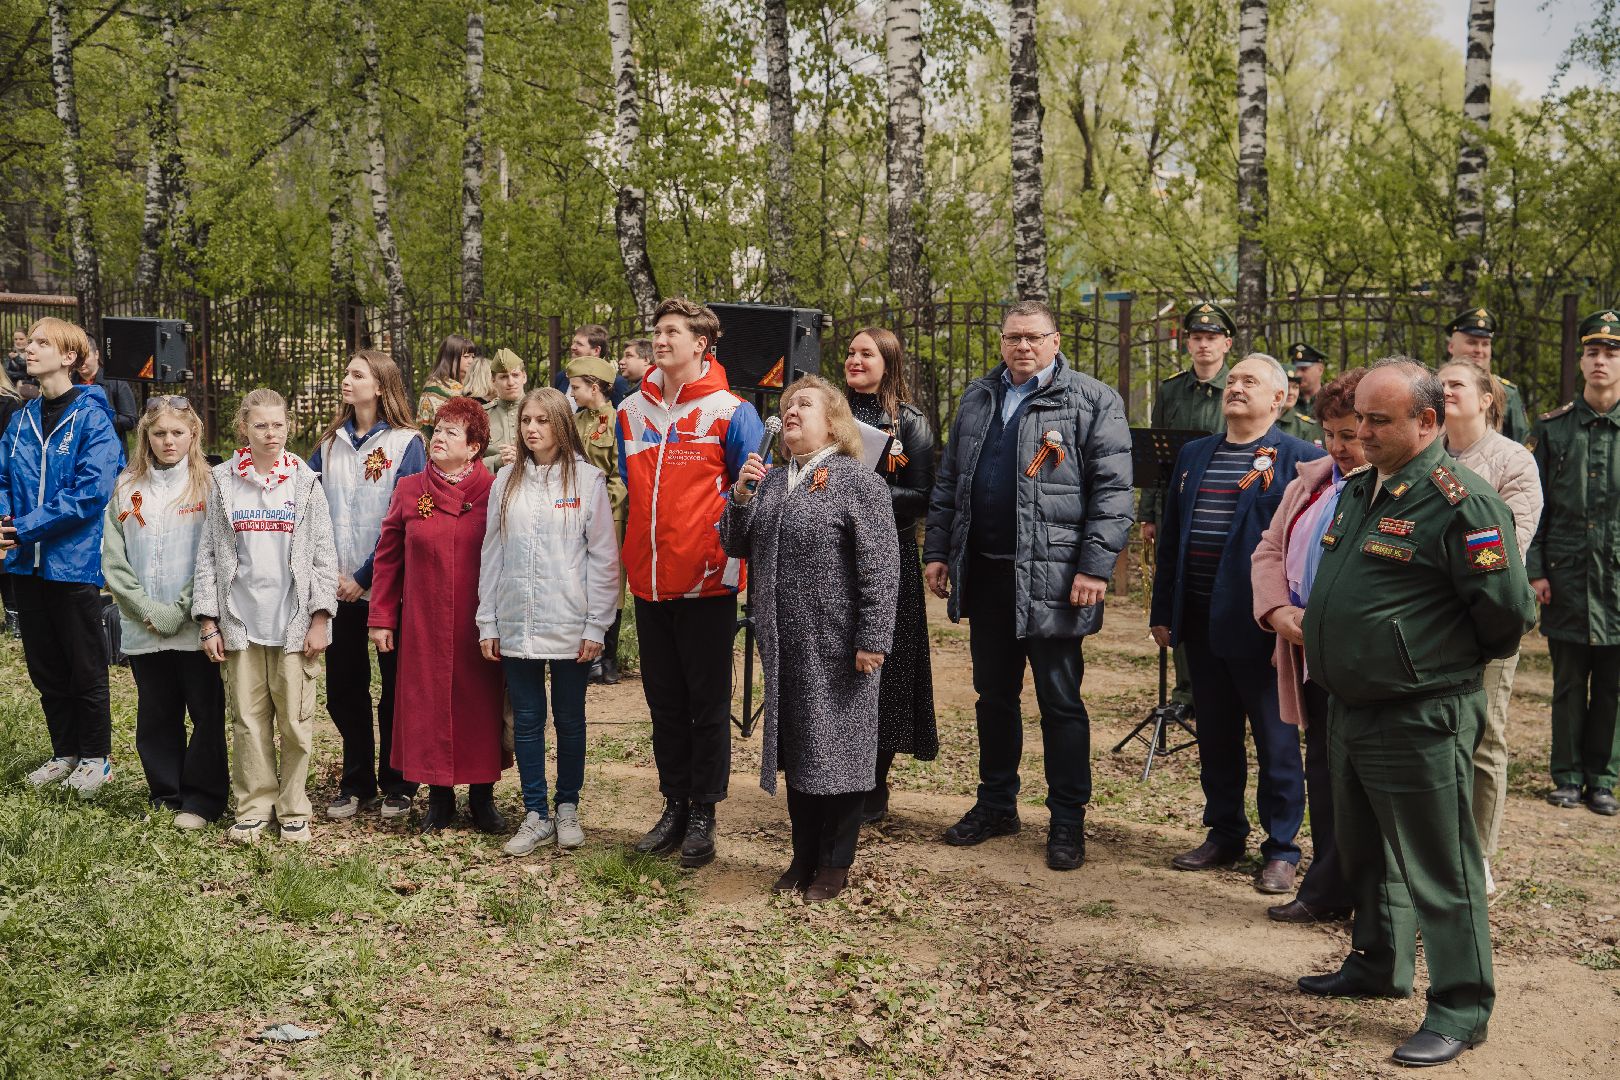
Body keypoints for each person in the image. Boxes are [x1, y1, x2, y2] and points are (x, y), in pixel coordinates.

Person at [1296, 358, 1534, 1067]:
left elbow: (1505, 617)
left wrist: (1424, 664)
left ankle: (1461, 1006)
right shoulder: (1362, 488)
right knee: (1365, 853)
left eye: (1378, 421)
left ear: (1427, 422)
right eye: (1357, 419)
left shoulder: (1462, 502)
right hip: (1353, 707)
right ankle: (1378, 963)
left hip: (1420, 713)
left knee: (1440, 868)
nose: (1359, 433)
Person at [924, 300, 1133, 871]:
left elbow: (1114, 494)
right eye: (1013, 337)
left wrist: (1094, 566)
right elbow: (950, 482)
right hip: (988, 571)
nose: (1023, 347)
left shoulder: (1091, 400)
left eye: (1034, 337)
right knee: (994, 697)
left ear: (1055, 340)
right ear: (1000, 342)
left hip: (1055, 579)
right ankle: (996, 804)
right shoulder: (978, 397)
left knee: (1060, 702)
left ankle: (1067, 819)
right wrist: (939, 552)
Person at [1150, 354, 1322, 893]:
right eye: (1233, 379)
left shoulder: (1303, 459)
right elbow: (1172, 537)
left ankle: (1282, 847)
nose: (1236, 386)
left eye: (1251, 380)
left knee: (1275, 743)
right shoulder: (1194, 455)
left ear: (1280, 398)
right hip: (1200, 624)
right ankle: (1224, 832)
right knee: (1216, 738)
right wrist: (1164, 612)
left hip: (1264, 630)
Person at [722, 377, 899, 899]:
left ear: (834, 422)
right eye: (786, 405)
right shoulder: (773, 480)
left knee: (840, 753)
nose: (790, 411)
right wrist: (740, 494)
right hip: (783, 643)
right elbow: (736, 543)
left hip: (840, 643)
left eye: (804, 404)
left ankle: (834, 863)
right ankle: (802, 856)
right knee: (798, 750)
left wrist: (873, 636)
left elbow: (881, 565)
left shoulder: (855, 481)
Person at [617, 297, 765, 868]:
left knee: (707, 704)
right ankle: (673, 804)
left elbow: (751, 499)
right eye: (657, 330)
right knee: (664, 703)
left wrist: (724, 555)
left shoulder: (733, 412)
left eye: (672, 331)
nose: (660, 339)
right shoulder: (630, 410)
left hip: (707, 581)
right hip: (649, 581)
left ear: (701, 343)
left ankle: (705, 811)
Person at [193, 389, 338, 844]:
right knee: (249, 719)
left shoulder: (305, 481)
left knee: (295, 721)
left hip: (293, 624)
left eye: (277, 425)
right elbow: (210, 555)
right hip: (242, 622)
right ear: (244, 429)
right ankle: (255, 805)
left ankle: (294, 807)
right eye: (260, 426)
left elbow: (322, 557)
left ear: (288, 427)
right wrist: (209, 621)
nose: (270, 434)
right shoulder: (223, 481)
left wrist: (320, 617)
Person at [479, 388, 620, 856]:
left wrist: (596, 624)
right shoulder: (505, 482)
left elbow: (603, 559)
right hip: (517, 620)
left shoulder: (587, 480)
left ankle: (567, 806)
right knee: (526, 720)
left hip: (569, 623)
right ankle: (535, 812)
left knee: (570, 719)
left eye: (542, 420)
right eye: (525, 421)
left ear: (562, 426)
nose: (532, 429)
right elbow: (493, 554)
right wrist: (488, 621)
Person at [1249, 368, 1367, 923]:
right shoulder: (1311, 481)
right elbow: (1270, 549)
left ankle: (1374, 898)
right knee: (1321, 769)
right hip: (1309, 654)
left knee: (1363, 782)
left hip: (1368, 664)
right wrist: (1278, 611)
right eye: (1330, 434)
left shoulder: (1400, 488)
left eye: (1349, 434)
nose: (1337, 447)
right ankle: (1327, 888)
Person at [368, 395, 508, 834]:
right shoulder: (410, 490)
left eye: (451, 431)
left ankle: (483, 797)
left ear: (474, 447)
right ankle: (440, 800)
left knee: (480, 705)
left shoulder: (495, 492)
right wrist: (382, 617)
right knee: (426, 705)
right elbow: (388, 559)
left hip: (480, 622)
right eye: (437, 429)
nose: (438, 437)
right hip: (423, 623)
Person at [2, 318, 124, 796]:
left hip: (72, 563)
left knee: (84, 663)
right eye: (29, 342)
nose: (29, 350)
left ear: (69, 356)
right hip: (24, 564)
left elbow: (91, 493)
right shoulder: (21, 419)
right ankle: (64, 753)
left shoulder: (94, 417)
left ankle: (96, 758)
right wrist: (5, 523)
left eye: (41, 343)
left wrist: (22, 527)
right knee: (44, 664)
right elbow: (3, 480)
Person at [308, 351, 426, 822]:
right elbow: (310, 506)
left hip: (388, 588)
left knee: (394, 687)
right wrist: (335, 577)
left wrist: (364, 578)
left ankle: (399, 782)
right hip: (336, 588)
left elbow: (406, 519)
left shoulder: (407, 443)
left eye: (357, 374)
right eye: (346, 373)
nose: (345, 380)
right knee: (344, 687)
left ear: (380, 386)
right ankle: (356, 780)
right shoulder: (331, 444)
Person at [1439, 359, 1543, 878]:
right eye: (1439, 385)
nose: (1444, 391)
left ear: (1486, 399)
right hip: (1427, 621)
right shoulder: (1425, 453)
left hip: (1487, 620)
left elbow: (1506, 551)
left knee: (1483, 736)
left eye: (1456, 384)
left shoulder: (1511, 462)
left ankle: (1477, 856)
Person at [102, 396, 226, 828]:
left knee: (205, 712)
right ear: (146, 438)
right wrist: (143, 608)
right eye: (159, 433)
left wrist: (179, 610)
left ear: (193, 434)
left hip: (194, 623)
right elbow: (114, 560)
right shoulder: (127, 486)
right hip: (144, 625)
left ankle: (203, 798)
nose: (168, 441)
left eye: (177, 432)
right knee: (156, 711)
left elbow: (214, 553)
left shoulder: (210, 483)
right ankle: (166, 792)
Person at [1527, 309, 1620, 818]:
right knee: (1567, 682)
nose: (1601, 360)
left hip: (1618, 580)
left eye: (1611, 352)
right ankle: (1566, 775)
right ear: (1581, 360)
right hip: (1565, 574)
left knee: (1612, 684)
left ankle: (1602, 778)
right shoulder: (1556, 430)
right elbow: (1534, 503)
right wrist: (1536, 568)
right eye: (1592, 352)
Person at [843, 327, 938, 823]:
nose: (855, 360)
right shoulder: (827, 409)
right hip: (829, 557)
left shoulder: (911, 423)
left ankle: (874, 783)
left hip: (886, 554)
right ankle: (836, 774)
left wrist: (863, 489)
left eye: (867, 354)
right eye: (851, 352)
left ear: (889, 362)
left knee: (884, 669)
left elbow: (922, 496)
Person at [1141, 301, 1236, 721]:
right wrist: (1148, 513)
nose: (1203, 345)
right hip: (1176, 503)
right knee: (1179, 593)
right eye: (1197, 338)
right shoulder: (1170, 390)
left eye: (1211, 338)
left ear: (1226, 344)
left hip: (1222, 506)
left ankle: (1224, 682)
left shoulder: (1237, 388)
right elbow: (1155, 458)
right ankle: (1185, 691)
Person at [567, 354, 629, 684]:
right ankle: (589, 654)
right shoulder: (575, 422)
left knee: (611, 583)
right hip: (575, 510)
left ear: (594, 387)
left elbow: (622, 473)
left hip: (611, 511)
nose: (572, 392)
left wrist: (605, 505)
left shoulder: (619, 421)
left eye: (576, 387)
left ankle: (609, 658)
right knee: (583, 579)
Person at [1444, 307, 1530, 444]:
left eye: (1485, 344)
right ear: (1451, 346)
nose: (1479, 350)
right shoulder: (1434, 385)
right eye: (1471, 342)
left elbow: (1522, 443)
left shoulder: (1508, 393)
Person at [76, 343, 138, 448]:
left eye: (85, 356)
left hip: (110, 451)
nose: (81, 362)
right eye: (77, 357)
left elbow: (130, 419)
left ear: (96, 354)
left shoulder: (115, 381)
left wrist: (97, 420)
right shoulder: (68, 383)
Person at [554, 323, 633, 405]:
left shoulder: (615, 382)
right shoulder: (561, 377)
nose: (573, 347)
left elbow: (621, 415)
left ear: (596, 350)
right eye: (574, 342)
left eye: (579, 344)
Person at [418, 333, 476, 434]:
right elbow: (426, 429)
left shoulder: (470, 386)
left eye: (472, 356)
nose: (471, 361)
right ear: (451, 358)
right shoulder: (434, 389)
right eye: (466, 356)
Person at [482, 348, 527, 473]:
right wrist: (498, 461)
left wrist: (525, 457)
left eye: (515, 375)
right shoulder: (481, 416)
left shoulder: (543, 412)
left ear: (524, 377)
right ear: (493, 381)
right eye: (504, 377)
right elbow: (466, 463)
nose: (511, 382)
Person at [1276, 370, 1320, 445]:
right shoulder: (1259, 418)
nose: (1291, 392)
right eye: (1286, 387)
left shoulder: (1306, 427)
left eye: (1295, 387)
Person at [1289, 342, 1327, 417]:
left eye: (1304, 369)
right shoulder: (1287, 400)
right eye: (1296, 369)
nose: (1298, 374)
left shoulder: (1330, 400)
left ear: (1320, 370)